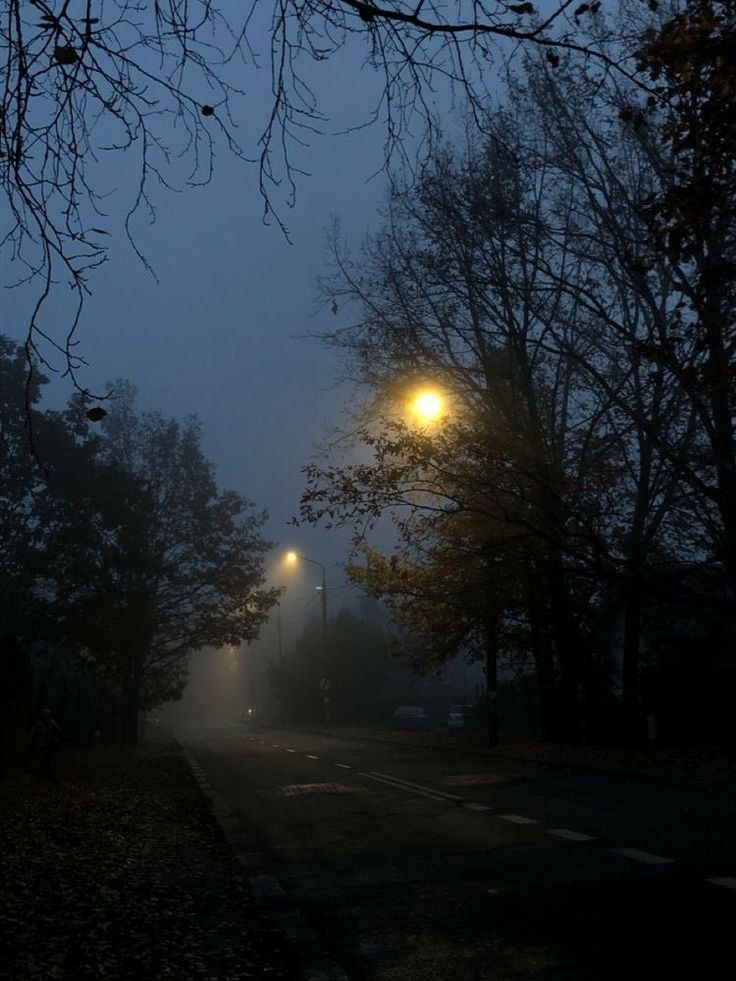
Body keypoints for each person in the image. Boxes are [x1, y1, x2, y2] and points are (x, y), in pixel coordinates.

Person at [30, 708, 61, 780]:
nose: (46, 716)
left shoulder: (52, 722)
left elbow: (58, 730)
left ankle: (40, 776)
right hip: (41, 744)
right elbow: (32, 733)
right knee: (46, 759)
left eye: (47, 714)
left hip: (49, 743)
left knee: (45, 760)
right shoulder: (39, 723)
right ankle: (50, 776)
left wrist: (54, 730)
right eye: (44, 714)